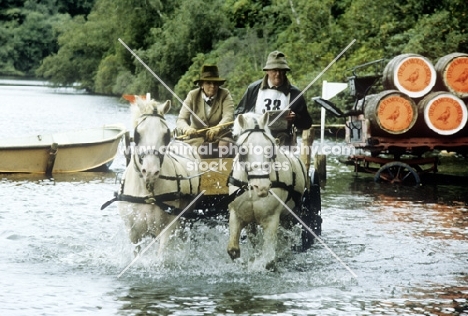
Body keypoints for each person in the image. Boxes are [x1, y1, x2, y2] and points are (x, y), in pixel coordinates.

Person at [235, 51, 312, 146]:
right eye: (274, 70)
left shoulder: (295, 93)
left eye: (281, 70)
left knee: (283, 139)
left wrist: (295, 118)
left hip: (281, 136)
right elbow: (238, 113)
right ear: (267, 71)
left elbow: (307, 123)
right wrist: (247, 120)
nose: (278, 74)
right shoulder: (254, 89)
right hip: (256, 133)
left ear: (285, 72)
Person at [176, 64, 234, 158]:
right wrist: (187, 129)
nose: (212, 86)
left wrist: (218, 128)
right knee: (197, 152)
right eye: (208, 83)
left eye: (215, 83)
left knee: (226, 145)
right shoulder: (192, 95)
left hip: (220, 136)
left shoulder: (225, 94)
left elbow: (228, 115)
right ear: (201, 84)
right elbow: (181, 119)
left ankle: (223, 170)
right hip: (197, 138)